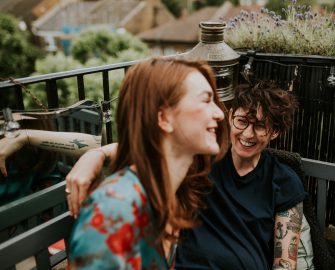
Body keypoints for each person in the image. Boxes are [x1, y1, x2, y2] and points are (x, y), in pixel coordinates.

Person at [65, 80, 310, 269]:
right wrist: (93, 157)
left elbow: (285, 263)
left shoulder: (284, 181)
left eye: (260, 126)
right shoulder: (203, 156)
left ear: (274, 132)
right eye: (242, 121)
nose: (247, 134)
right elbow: (144, 151)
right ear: (230, 115)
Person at [67, 57, 228, 269]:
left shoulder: (169, 192)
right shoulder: (114, 210)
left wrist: (97, 154)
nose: (219, 113)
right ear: (164, 118)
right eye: (206, 100)